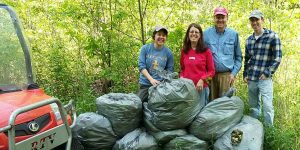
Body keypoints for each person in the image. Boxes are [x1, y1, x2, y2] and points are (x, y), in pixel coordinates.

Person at [243, 10, 282, 126]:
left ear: (262, 20)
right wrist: (245, 74)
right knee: (254, 107)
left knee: (267, 106)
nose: (254, 22)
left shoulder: (272, 36)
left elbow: (278, 58)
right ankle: (255, 128)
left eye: (257, 19)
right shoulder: (249, 40)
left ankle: (269, 132)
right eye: (252, 20)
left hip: (265, 79)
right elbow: (247, 59)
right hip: (252, 78)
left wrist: (267, 72)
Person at [204, 7, 242, 100]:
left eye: (222, 17)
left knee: (224, 105)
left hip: (226, 76)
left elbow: (239, 57)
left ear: (227, 18)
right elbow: (201, 55)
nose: (220, 20)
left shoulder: (233, 34)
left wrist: (233, 74)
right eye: (218, 17)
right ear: (214, 18)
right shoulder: (206, 34)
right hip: (210, 76)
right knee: (210, 104)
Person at [180, 23, 215, 106]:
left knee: (200, 115)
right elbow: (182, 69)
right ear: (188, 34)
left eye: (196, 32)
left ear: (200, 35)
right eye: (191, 32)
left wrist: (202, 79)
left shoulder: (206, 51)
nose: (194, 34)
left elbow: (212, 72)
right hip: (187, 89)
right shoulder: (184, 51)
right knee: (188, 114)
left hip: (201, 89)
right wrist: (181, 77)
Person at [137, 25, 174, 102]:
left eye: (163, 35)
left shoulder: (168, 53)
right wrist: (151, 80)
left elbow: (169, 71)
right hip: (145, 84)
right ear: (154, 36)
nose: (161, 37)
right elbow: (141, 66)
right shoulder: (145, 49)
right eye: (159, 34)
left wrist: (163, 83)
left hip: (160, 86)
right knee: (139, 105)